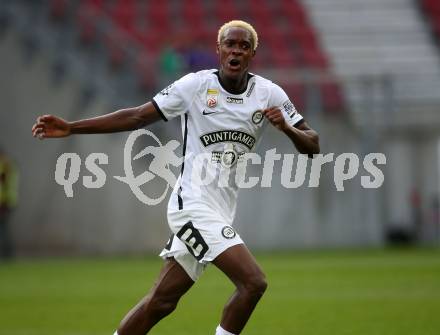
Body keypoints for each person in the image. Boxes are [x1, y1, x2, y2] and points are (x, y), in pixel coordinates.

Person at [32, 20, 320, 335]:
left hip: (221, 209)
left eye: (243, 46)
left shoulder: (268, 94)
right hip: (192, 206)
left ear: (253, 53)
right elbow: (137, 116)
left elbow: (312, 145)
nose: (236, 51)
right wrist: (73, 127)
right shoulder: (195, 86)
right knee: (253, 283)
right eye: (230, 44)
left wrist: (288, 129)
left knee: (161, 301)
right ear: (219, 49)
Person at [0, 147, 18, 260]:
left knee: (3, 229)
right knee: (3, 229)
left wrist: (6, 202)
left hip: (5, 201)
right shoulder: (7, 163)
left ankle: (6, 255)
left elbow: (6, 181)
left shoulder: (6, 164)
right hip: (6, 200)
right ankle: (7, 254)